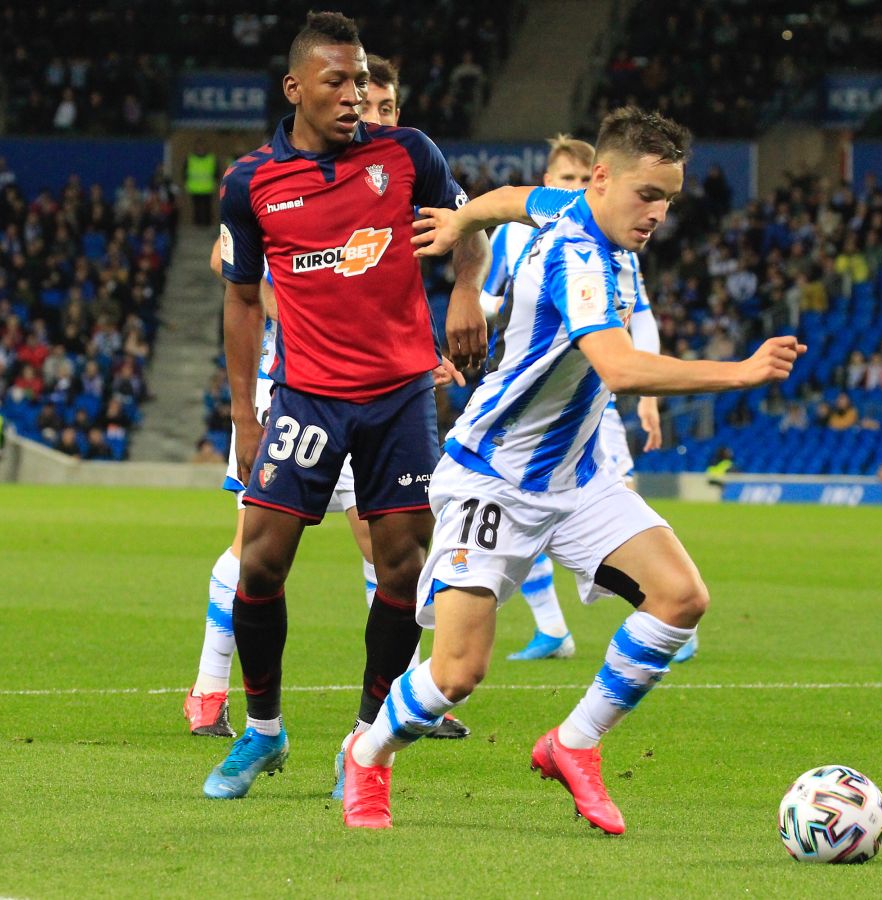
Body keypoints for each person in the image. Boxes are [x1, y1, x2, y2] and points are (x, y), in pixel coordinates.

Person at [340, 106, 805, 831]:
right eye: (646, 195)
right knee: (459, 672)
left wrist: (463, 225)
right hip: (491, 476)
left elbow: (507, 200)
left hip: (576, 480)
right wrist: (739, 373)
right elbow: (617, 370)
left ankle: (572, 744)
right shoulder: (577, 255)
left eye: (668, 200)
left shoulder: (573, 206)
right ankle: (368, 755)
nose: (656, 214)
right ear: (601, 179)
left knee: (679, 597)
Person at [205, 12, 489, 801]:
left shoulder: (407, 155)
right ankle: (262, 733)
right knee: (258, 563)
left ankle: (367, 742)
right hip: (304, 397)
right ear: (295, 87)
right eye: (337, 80)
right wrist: (243, 415)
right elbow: (238, 302)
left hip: (399, 397)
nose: (355, 94)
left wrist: (465, 287)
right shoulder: (250, 182)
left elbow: (469, 228)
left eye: (361, 79)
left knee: (400, 569)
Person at [479, 134, 675, 663]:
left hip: (597, 404)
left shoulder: (613, 241)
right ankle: (553, 628)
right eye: (565, 179)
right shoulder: (512, 239)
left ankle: (665, 607)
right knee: (528, 508)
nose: (575, 188)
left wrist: (649, 395)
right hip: (530, 401)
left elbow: (641, 317)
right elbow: (483, 294)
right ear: (548, 183)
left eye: (581, 179)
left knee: (616, 503)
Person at [186, 142, 218, 228]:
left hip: (207, 187)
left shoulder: (211, 158)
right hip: (195, 187)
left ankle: (207, 223)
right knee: (196, 207)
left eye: (202, 147)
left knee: (207, 207)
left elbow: (216, 172)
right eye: (199, 147)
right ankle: (198, 224)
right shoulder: (190, 158)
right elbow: (185, 172)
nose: (201, 149)